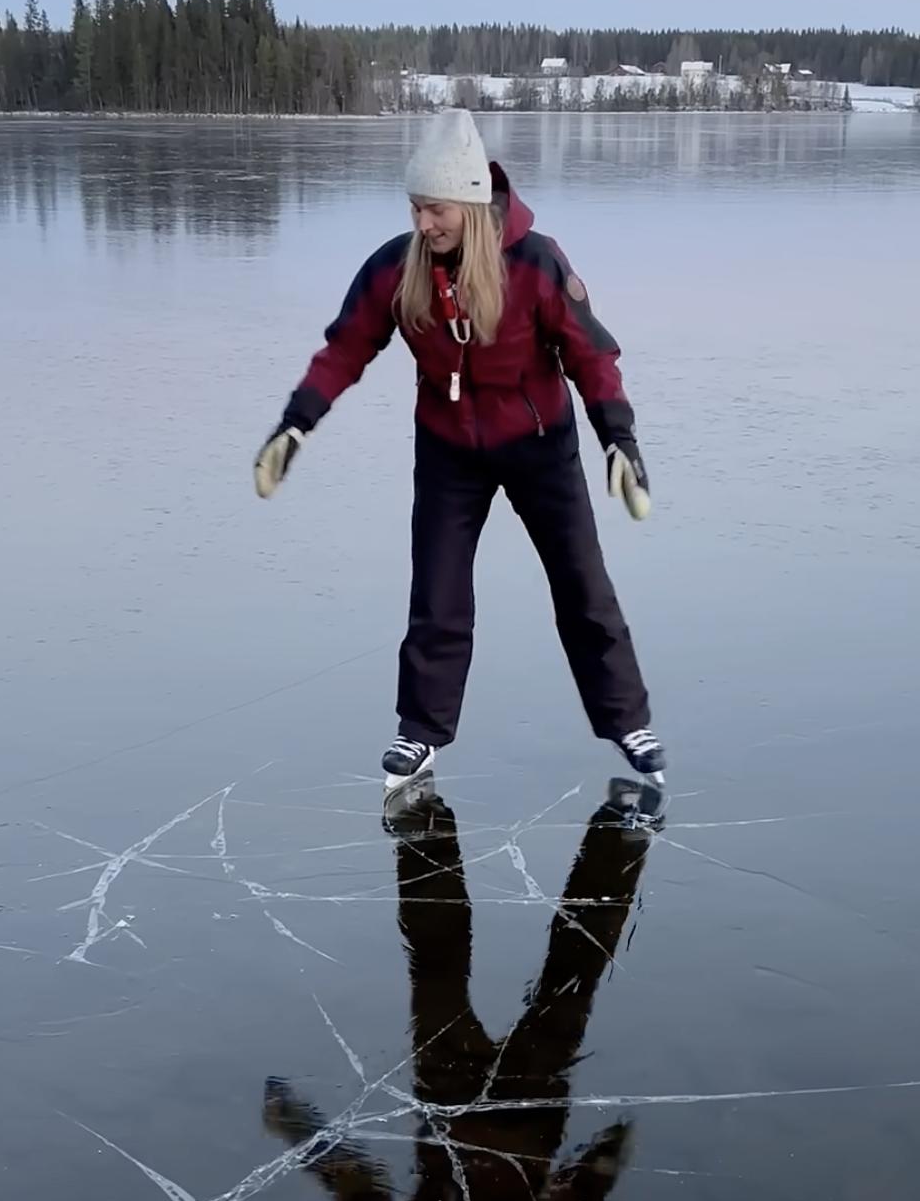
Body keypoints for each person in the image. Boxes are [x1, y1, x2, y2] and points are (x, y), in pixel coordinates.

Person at [253, 109, 663, 790]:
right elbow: (345, 350)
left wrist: (619, 438)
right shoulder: (396, 267)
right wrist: (295, 426)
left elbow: (592, 355)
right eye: (415, 207)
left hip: (539, 445)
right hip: (448, 449)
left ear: (470, 204)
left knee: (583, 588)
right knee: (438, 596)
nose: (423, 224)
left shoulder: (535, 262)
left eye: (435, 209)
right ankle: (420, 733)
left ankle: (627, 721)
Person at [260, 785, 659, 1201]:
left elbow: (355, 1187)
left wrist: (606, 1157)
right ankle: (442, 830)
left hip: (512, 1100)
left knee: (564, 972)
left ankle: (615, 834)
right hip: (491, 1095)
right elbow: (354, 1186)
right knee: (474, 966)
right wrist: (295, 1125)